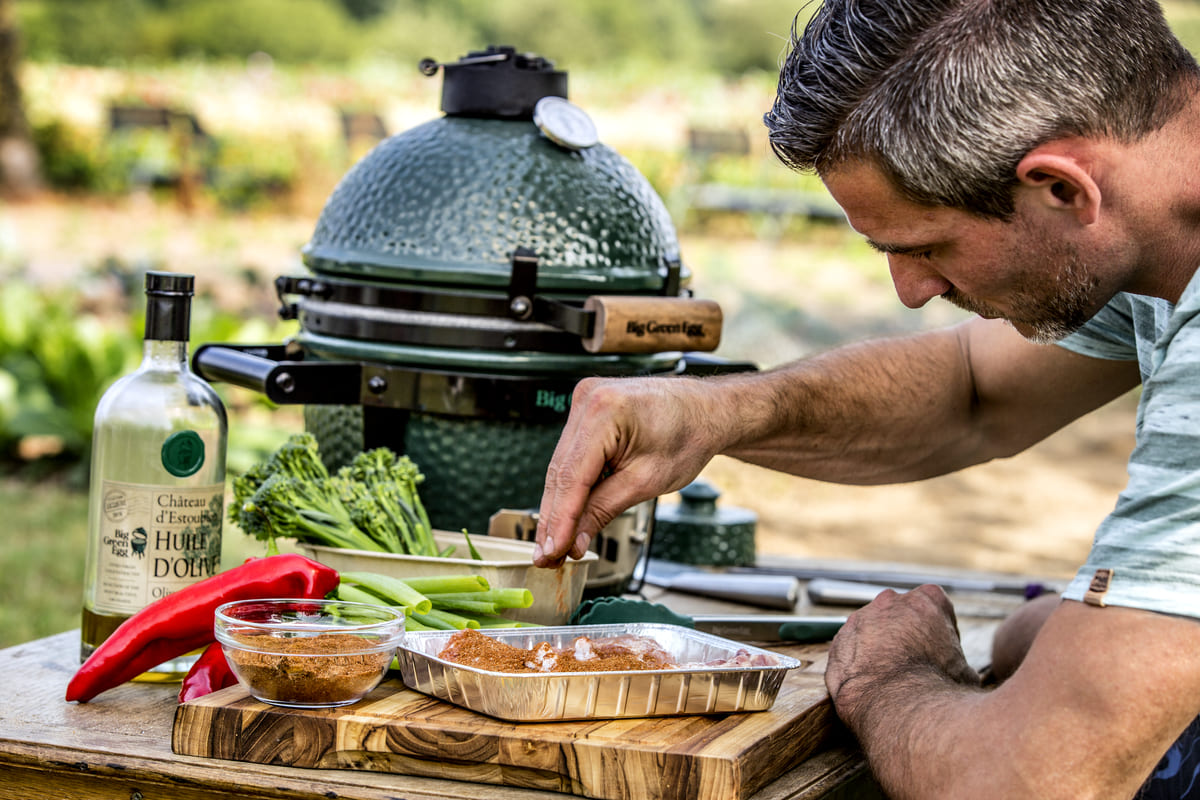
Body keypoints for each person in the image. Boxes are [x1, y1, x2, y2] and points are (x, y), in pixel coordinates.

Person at [531, 0, 1200, 797]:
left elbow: (1032, 783)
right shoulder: (1154, 232)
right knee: (1030, 636)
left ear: (1060, 186)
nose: (912, 291)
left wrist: (889, 679)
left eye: (924, 247)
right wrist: (714, 412)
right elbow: (974, 393)